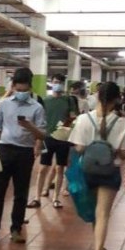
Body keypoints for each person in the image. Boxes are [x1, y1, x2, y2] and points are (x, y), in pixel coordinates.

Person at [69, 81, 125, 250]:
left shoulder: (82, 119)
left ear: (96, 96)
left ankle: (100, 248)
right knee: (103, 213)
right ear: (116, 100)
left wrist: (90, 149)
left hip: (88, 171)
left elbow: (78, 148)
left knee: (95, 212)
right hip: (109, 173)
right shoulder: (121, 122)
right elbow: (123, 154)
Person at [0, 68, 46, 244]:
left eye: (24, 90)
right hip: (4, 150)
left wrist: (29, 126)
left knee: (21, 194)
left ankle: (16, 229)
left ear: (30, 87)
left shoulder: (37, 108)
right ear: (12, 87)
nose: (21, 93)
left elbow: (42, 135)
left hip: (24, 153)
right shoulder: (4, 104)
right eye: (18, 90)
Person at [29, 74, 78, 210]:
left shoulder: (69, 100)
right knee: (43, 167)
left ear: (64, 84)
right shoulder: (45, 101)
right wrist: (37, 140)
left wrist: (67, 123)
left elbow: (74, 117)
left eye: (60, 82)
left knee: (60, 168)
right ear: (51, 83)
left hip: (63, 139)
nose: (57, 84)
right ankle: (37, 197)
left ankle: (56, 197)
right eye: (55, 82)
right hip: (47, 138)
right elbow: (39, 121)